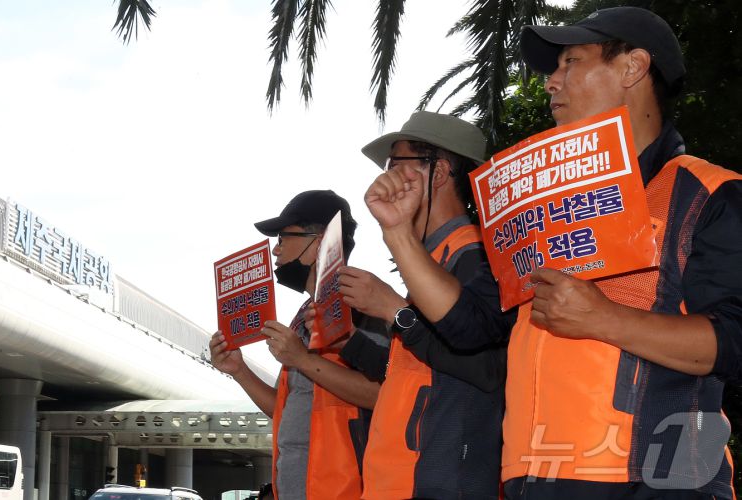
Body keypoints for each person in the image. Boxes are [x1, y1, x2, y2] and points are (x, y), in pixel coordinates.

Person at [365, 7, 742, 500]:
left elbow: (734, 342)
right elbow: (472, 329)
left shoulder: (708, 192)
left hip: (660, 483)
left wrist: (604, 318)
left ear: (632, 68)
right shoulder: (540, 208)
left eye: (571, 62)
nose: (551, 82)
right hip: (535, 478)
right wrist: (398, 235)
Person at [343, 111, 513, 499]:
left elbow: (487, 368)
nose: (387, 176)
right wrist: (350, 341)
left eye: (397, 164)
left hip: (440, 478)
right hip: (404, 479)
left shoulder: (478, 255)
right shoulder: (432, 259)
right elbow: (416, 368)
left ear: (437, 173)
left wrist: (395, 311)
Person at [209, 190, 379, 500]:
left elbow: (383, 395)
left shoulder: (363, 302)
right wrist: (239, 371)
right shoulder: (304, 315)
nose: (276, 250)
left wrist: (302, 359)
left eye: (283, 238)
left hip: (346, 491)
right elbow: (285, 409)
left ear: (319, 241)